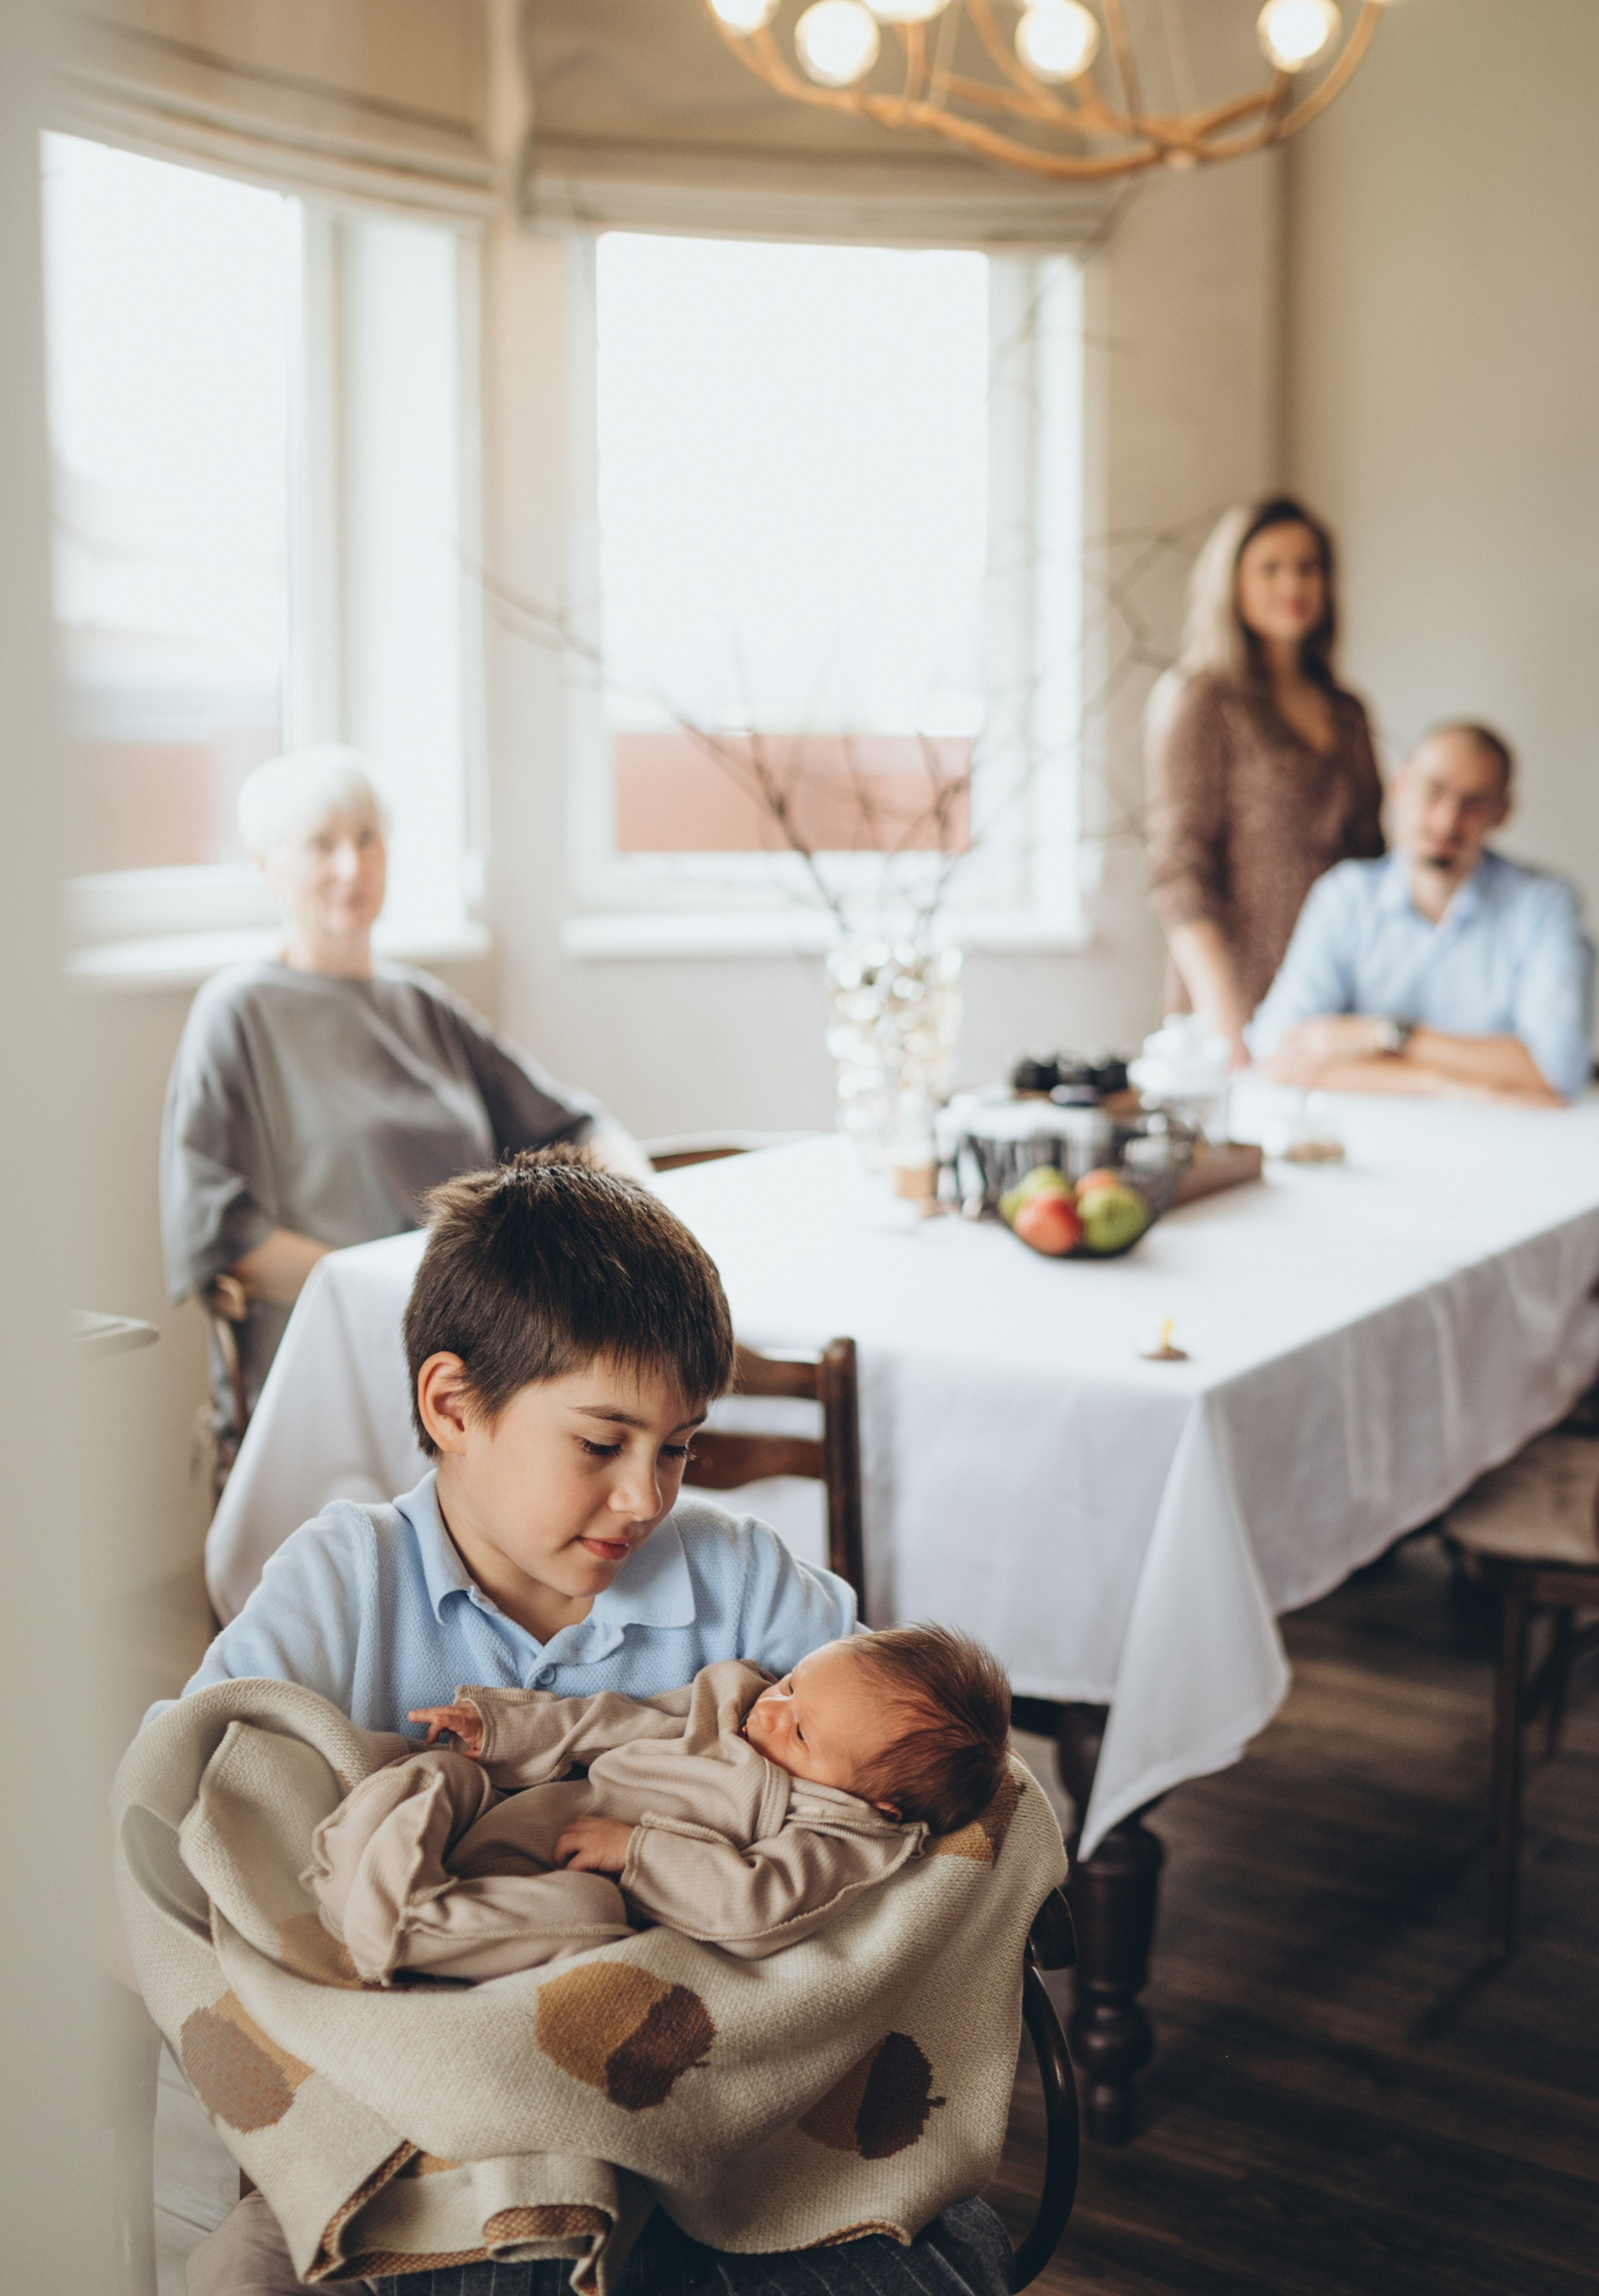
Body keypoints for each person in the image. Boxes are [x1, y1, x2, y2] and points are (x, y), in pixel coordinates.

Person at [176, 1154, 1013, 2296]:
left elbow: (896, 1780)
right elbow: (205, 1797)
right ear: (451, 1404)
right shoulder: (342, 1578)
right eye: (601, 1442)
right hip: (423, 2105)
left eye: (678, 1446)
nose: (647, 1497)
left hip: (710, 2096)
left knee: (912, 2257)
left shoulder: (742, 1582)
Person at [161, 744, 647, 1438]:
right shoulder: (237, 1011)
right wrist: (409, 1297)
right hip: (342, 1356)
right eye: (320, 844)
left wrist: (645, 1210)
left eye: (368, 839)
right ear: (266, 865)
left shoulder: (420, 1003)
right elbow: (222, 1236)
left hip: (479, 1347)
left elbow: (575, 1124)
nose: (350, 867)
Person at [312, 1627, 1012, 1983]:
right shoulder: (733, 1702)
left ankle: (397, 1925)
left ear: (881, 1805)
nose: (772, 1710)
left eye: (800, 1731)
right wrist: (498, 1729)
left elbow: (753, 1905)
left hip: (547, 1887)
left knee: (593, 1913)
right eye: (795, 1682)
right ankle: (359, 1876)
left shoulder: (835, 1834)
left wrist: (634, 1851)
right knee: (438, 1774)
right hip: (511, 1814)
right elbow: (616, 1719)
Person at [1145, 496, 1385, 1060]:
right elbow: (1179, 872)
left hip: (1337, 995)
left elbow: (1374, 864)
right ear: (1232, 582)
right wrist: (1224, 1019)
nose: (1293, 584)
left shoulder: (1347, 712)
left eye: (1308, 567)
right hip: (1237, 995)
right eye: (1270, 568)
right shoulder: (1202, 701)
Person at [1246, 722, 1594, 1102]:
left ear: (1502, 812)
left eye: (1474, 802)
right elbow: (1276, 1052)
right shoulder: (1345, 896)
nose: (1447, 821)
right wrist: (1440, 1085)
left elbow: (1555, 1070)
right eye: (1435, 791)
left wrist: (1382, 1037)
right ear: (1400, 787)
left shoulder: (1543, 905)